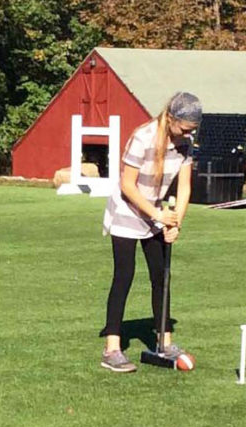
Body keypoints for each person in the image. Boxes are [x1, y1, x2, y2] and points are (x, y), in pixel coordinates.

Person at [99, 92, 202, 372]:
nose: (187, 134)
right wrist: (158, 215)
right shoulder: (143, 137)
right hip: (127, 211)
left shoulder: (186, 144)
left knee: (161, 274)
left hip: (156, 212)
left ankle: (165, 342)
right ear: (170, 118)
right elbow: (127, 185)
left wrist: (175, 222)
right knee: (124, 275)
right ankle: (112, 349)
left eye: (192, 130)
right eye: (184, 128)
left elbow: (184, 188)